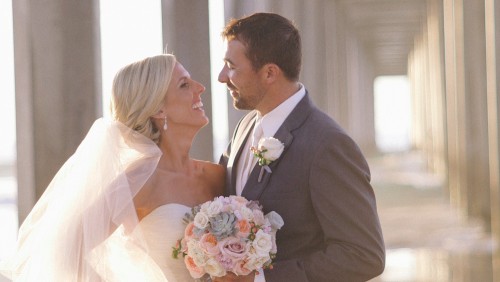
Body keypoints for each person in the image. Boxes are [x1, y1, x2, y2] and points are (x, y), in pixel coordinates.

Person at [0, 54, 224, 281]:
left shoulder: (217, 175)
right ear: (158, 110)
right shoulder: (138, 180)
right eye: (184, 84)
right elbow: (65, 250)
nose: (201, 88)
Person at [218, 13, 385, 281]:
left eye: (231, 66)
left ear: (270, 72)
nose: (221, 77)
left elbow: (364, 255)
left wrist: (261, 279)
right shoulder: (244, 127)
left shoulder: (328, 145)